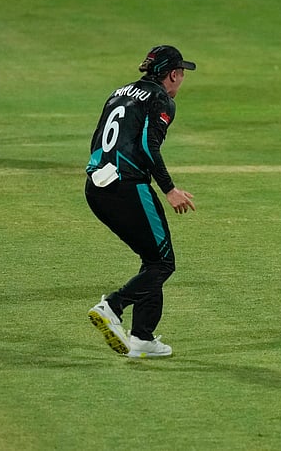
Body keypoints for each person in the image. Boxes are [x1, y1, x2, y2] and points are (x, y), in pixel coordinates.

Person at [85, 45, 197, 359]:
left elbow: (98, 138)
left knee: (152, 259)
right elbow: (149, 147)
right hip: (127, 187)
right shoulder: (161, 100)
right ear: (173, 74)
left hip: (96, 186)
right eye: (182, 73)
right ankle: (112, 307)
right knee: (163, 263)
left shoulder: (118, 93)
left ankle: (143, 337)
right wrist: (169, 189)